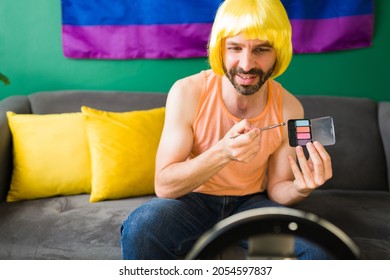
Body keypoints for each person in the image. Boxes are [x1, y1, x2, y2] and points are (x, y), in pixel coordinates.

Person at [120, 0, 333, 259]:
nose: (246, 65)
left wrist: (301, 188)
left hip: (251, 206)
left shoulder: (290, 108)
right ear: (220, 49)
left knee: (320, 248)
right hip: (191, 202)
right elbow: (165, 186)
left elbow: (278, 189)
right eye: (235, 48)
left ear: (279, 52)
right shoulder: (187, 92)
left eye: (261, 49)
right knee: (142, 227)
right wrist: (222, 152)